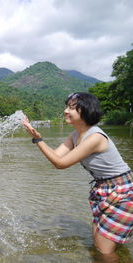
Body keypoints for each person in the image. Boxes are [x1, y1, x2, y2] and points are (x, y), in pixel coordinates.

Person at [23, 92, 133, 256]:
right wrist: (37, 138)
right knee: (98, 242)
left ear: (86, 111)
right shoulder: (76, 135)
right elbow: (57, 156)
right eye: (67, 106)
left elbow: (60, 164)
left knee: (104, 250)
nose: (66, 111)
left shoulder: (95, 137)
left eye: (72, 108)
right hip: (104, 189)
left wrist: (38, 140)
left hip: (122, 191)